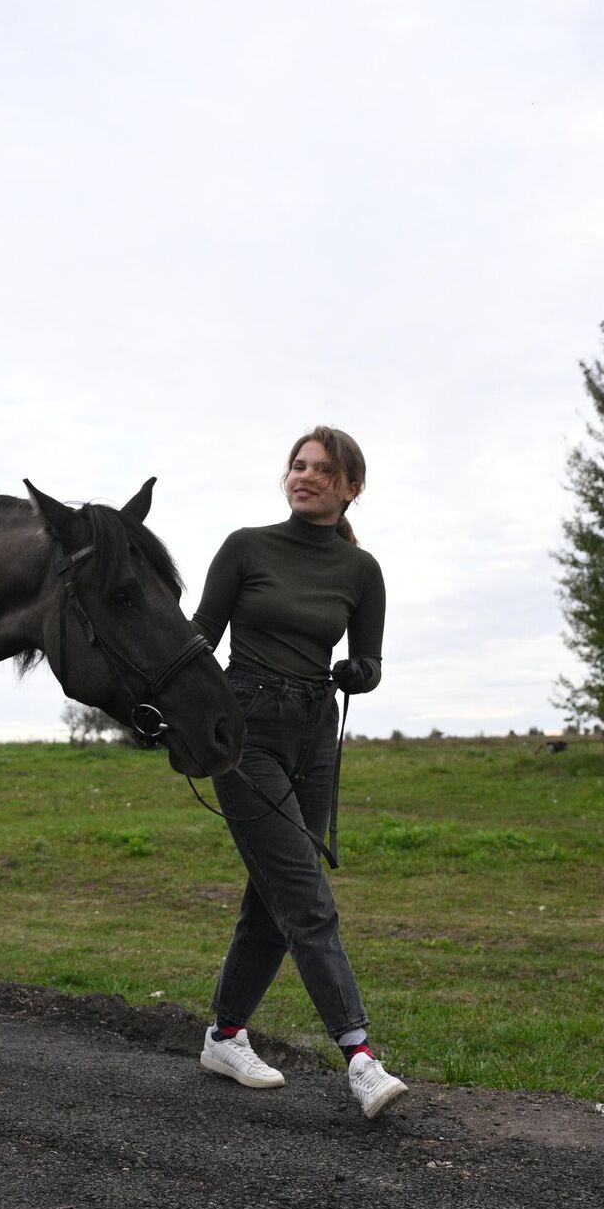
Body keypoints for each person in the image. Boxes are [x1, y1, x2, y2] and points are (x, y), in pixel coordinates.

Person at [188, 425, 407, 1119]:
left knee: (275, 899)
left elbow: (369, 665)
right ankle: (361, 1058)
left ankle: (224, 1035)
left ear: (350, 487)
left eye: (320, 469)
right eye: (297, 465)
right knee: (305, 894)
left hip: (315, 734)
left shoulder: (361, 571)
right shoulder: (246, 546)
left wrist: (356, 672)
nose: (303, 476)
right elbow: (200, 637)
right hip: (246, 727)